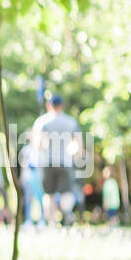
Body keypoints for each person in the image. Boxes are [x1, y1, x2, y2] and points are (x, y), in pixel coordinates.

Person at [30, 94, 84, 225]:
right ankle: (66, 216)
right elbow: (78, 145)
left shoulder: (42, 122)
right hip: (65, 162)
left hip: (47, 162)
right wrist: (76, 157)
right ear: (62, 106)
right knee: (67, 192)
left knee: (49, 194)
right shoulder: (71, 122)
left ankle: (52, 222)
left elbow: (37, 144)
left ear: (49, 105)